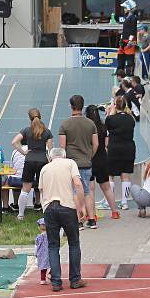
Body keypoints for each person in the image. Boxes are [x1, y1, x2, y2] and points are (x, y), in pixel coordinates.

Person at [39, 147, 87, 292]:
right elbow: (77, 184)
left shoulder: (45, 168)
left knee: (53, 245)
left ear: (50, 157)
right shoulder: (70, 163)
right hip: (67, 207)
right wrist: (81, 206)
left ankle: (56, 282)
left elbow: (41, 190)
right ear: (64, 155)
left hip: (49, 208)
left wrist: (44, 207)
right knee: (73, 242)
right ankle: (75, 279)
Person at [58, 95, 98, 225]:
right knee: (86, 191)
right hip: (86, 163)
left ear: (71, 106)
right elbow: (96, 144)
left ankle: (78, 220)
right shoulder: (90, 124)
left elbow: (62, 147)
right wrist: (89, 155)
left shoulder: (65, 124)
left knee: (74, 192)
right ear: (82, 106)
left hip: (71, 164)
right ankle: (91, 219)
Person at [12, 108, 53, 220]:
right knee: (43, 189)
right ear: (40, 116)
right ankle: (46, 215)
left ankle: (20, 215)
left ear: (29, 118)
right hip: (43, 161)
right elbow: (50, 150)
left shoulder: (26, 130)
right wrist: (50, 160)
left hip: (29, 160)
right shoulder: (47, 131)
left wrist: (23, 152)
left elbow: (14, 142)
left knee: (25, 189)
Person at [85, 105, 120, 221]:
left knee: (90, 189)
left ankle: (92, 215)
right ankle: (114, 212)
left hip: (90, 159)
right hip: (102, 159)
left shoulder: (88, 127)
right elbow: (105, 144)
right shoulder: (103, 127)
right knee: (106, 187)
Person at [105, 96, 136, 211]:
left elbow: (106, 126)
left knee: (110, 175)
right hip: (128, 148)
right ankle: (124, 202)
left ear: (115, 105)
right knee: (125, 175)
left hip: (114, 148)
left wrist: (110, 112)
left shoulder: (111, 119)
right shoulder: (130, 119)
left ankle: (110, 201)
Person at [116, 0, 138, 77]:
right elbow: (125, 29)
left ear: (129, 8)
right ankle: (119, 73)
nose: (124, 9)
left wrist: (130, 41)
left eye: (125, 8)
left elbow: (133, 30)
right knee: (120, 56)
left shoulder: (133, 18)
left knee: (129, 59)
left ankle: (129, 75)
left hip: (130, 41)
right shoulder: (127, 17)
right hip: (124, 40)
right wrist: (121, 38)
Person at [35, 218, 51, 285]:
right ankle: (50, 274)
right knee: (53, 263)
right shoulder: (50, 235)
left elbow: (36, 245)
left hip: (41, 253)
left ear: (39, 227)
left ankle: (42, 280)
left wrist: (36, 253)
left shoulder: (38, 237)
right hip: (49, 252)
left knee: (43, 267)